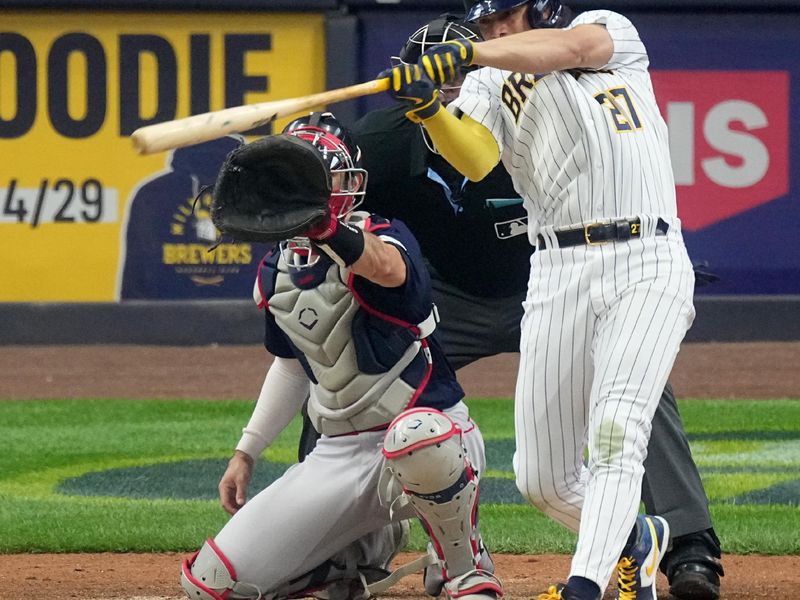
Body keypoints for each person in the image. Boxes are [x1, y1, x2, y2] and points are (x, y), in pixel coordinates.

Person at [301, 12, 722, 600]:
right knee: (541, 479)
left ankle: (589, 584)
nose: (495, 30)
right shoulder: (484, 79)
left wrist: (473, 56)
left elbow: (568, 47)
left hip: (644, 254)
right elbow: (475, 158)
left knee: (617, 431)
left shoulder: (610, 31)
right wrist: (430, 108)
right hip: (552, 270)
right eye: (487, 23)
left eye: (505, 19)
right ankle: (635, 537)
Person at [179, 112, 503, 600]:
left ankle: (465, 565)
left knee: (417, 438)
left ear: (347, 182)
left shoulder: (386, 233)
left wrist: (327, 229)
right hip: (339, 453)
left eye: (320, 175)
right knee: (213, 584)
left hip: (434, 436)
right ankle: (352, 558)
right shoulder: (275, 272)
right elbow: (291, 366)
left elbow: (389, 271)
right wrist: (246, 451)